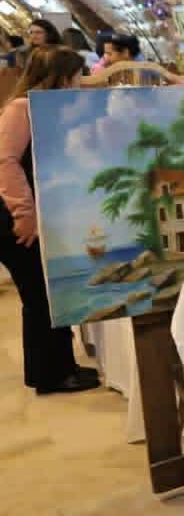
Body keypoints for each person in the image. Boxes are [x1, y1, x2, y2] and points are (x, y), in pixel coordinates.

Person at [0, 46, 100, 394]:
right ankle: (50, 375)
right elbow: (5, 162)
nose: (79, 81)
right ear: (59, 76)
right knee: (39, 296)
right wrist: (23, 214)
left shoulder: (45, 107)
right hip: (13, 219)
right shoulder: (21, 108)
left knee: (52, 292)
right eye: (75, 75)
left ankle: (62, 366)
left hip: (34, 216)